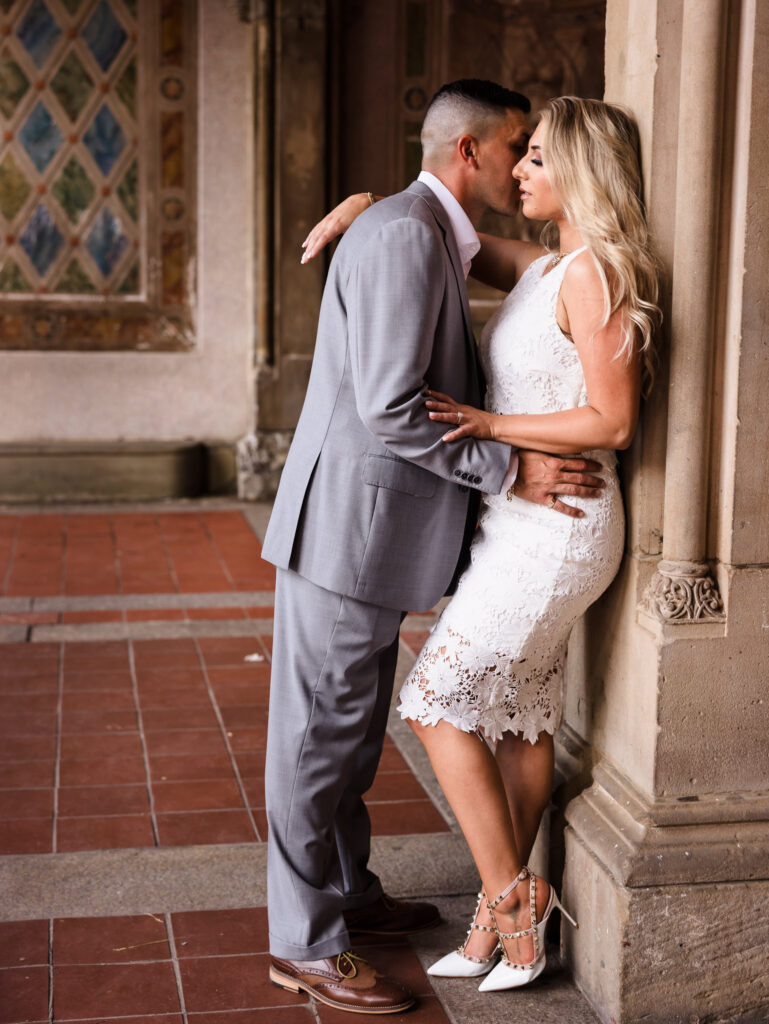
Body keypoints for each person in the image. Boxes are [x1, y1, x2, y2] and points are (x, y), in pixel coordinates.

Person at [260, 79, 607, 1015]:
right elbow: (388, 404)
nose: (523, 159)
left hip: (370, 537)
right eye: (516, 145)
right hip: (346, 535)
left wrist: (370, 202)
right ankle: (303, 943)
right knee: (314, 740)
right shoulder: (412, 236)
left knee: (347, 734)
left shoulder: (424, 230)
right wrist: (512, 472)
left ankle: (346, 894)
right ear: (470, 153)